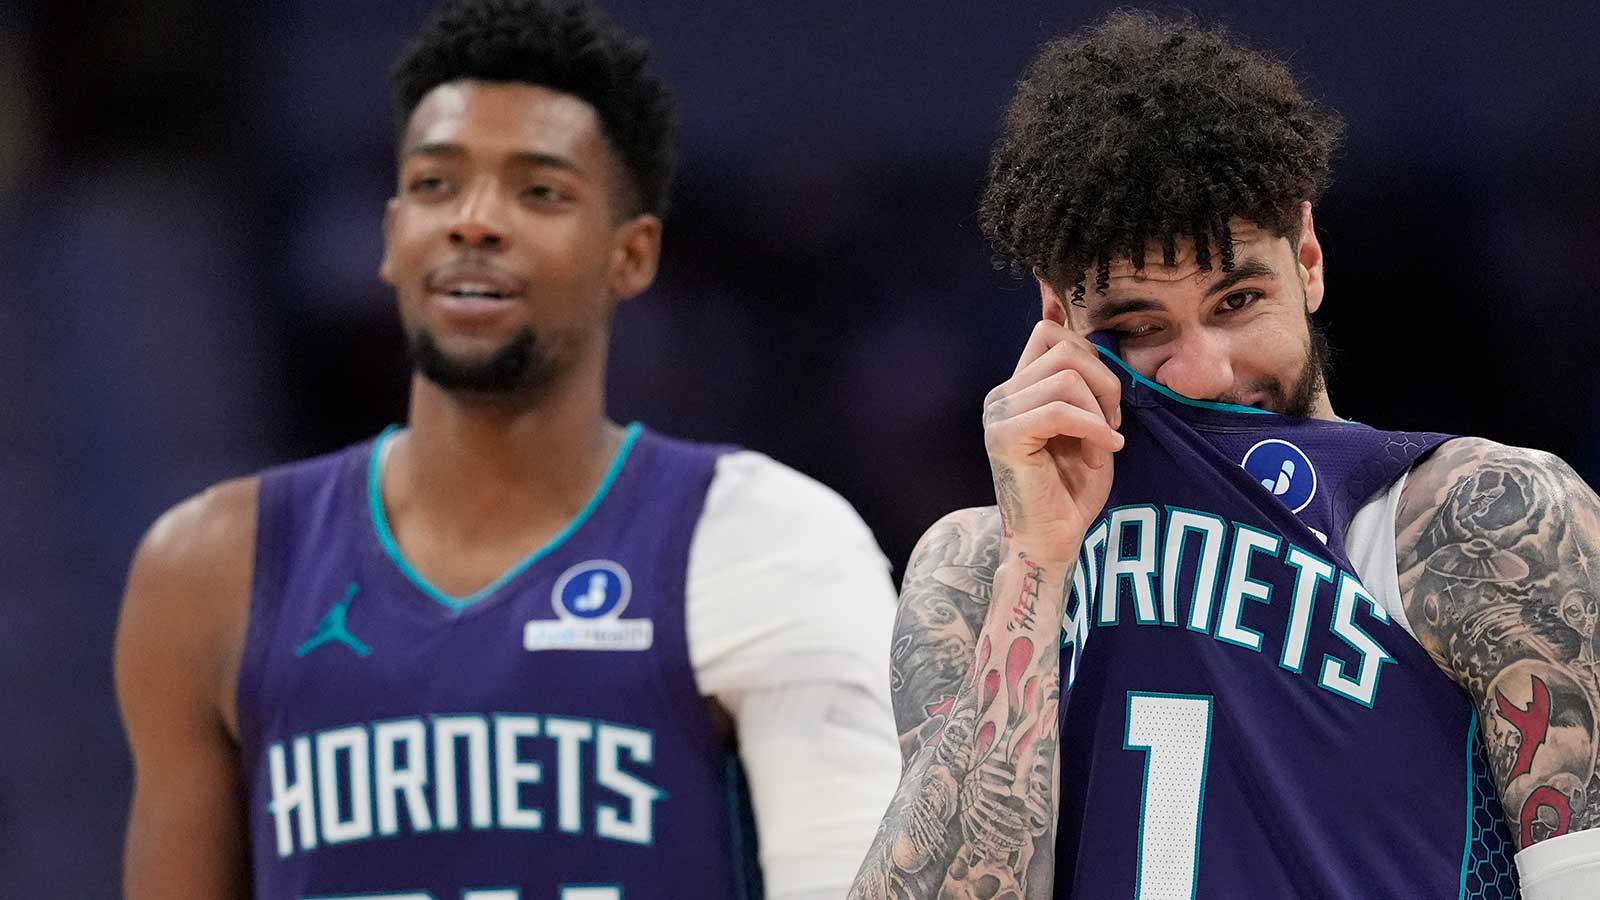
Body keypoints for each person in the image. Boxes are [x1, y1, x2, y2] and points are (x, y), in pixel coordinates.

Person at [114, 2, 902, 898]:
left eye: (541, 191)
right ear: (390, 236)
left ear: (631, 256)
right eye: (436, 184)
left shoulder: (770, 540)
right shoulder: (211, 568)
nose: (474, 223)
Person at [852, 12, 1599, 900]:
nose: (1204, 371)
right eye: (1138, 328)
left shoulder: (1484, 520)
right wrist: (1037, 560)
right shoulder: (979, 569)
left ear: (1308, 258)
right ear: (1055, 319)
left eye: (1238, 300)